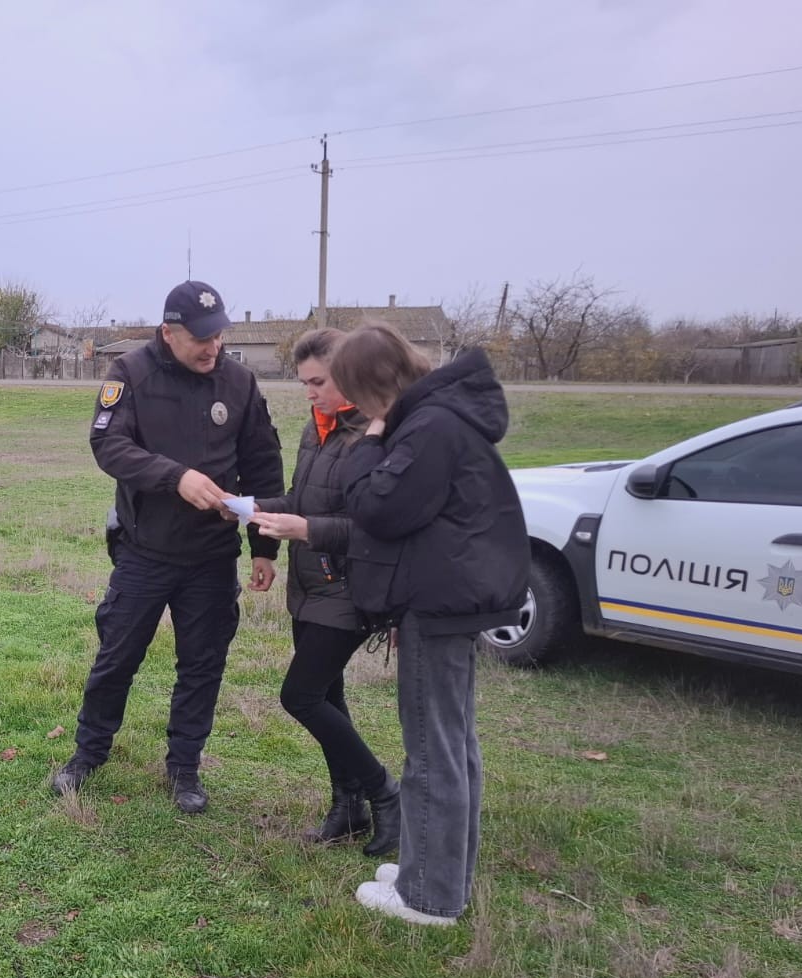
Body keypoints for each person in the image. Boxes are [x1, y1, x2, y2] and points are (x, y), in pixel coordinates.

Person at [53, 280, 285, 814]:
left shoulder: (240, 383)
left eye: (219, 335)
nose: (213, 347)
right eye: (201, 338)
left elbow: (264, 465)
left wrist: (264, 547)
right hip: (144, 550)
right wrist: (174, 477)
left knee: (202, 664)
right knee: (117, 656)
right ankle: (88, 754)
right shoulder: (131, 374)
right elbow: (108, 444)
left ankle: (184, 767)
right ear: (168, 332)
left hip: (211, 555)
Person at [331, 324, 528, 927]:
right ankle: (437, 868)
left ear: (375, 388)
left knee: (432, 750)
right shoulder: (443, 416)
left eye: (356, 398)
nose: (357, 411)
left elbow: (376, 507)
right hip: (453, 597)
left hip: (439, 606)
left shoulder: (428, 426)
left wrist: (369, 442)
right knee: (453, 742)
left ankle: (430, 895)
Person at [251, 328, 400, 855]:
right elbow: (301, 497)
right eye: (304, 383)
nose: (309, 393)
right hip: (308, 584)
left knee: (301, 696)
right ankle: (348, 806)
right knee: (329, 695)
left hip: (351, 588)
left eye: (318, 382)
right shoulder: (317, 428)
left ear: (352, 374)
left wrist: (306, 529)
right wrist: (248, 508)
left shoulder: (379, 435)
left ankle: (385, 792)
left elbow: (376, 525)